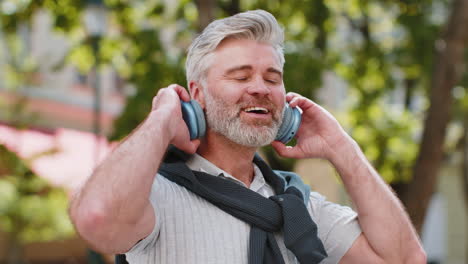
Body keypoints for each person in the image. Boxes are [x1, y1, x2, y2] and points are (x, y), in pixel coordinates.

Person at [69, 10, 426, 264]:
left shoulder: (300, 208)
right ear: (198, 94)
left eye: (272, 79)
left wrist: (341, 147)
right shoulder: (155, 197)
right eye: (241, 77)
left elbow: (405, 258)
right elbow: (98, 218)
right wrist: (162, 118)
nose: (259, 89)